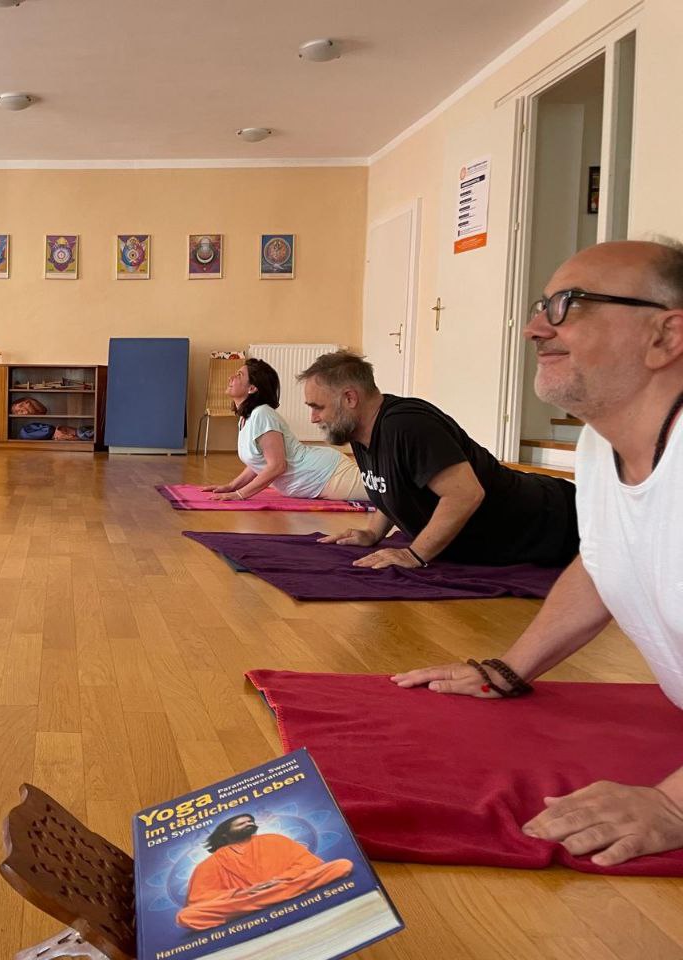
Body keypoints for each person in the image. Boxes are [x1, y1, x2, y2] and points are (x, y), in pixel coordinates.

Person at [392, 238, 683, 866]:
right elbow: (602, 562)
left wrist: (674, 805)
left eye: (568, 304)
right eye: (540, 306)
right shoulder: (599, 447)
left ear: (665, 336)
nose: (534, 328)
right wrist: (509, 669)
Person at [297, 350, 578, 569]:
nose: (313, 418)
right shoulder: (361, 432)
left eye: (317, 407)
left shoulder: (406, 425)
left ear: (349, 398)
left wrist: (415, 554)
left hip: (559, 521)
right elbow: (390, 487)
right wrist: (372, 534)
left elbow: (465, 494)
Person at [201, 359, 368, 502]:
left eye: (239, 375)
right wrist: (231, 486)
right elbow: (258, 463)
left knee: (381, 492)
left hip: (326, 473)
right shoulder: (246, 418)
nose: (231, 377)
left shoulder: (262, 414)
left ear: (252, 388)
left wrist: (240, 494)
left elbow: (277, 466)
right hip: (316, 479)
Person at [175, 814, 354, 931]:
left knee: (341, 865)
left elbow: (308, 862)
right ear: (224, 835)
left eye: (250, 821)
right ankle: (270, 899)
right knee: (186, 916)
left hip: (285, 885)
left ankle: (265, 901)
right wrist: (244, 892)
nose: (249, 823)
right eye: (242, 823)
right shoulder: (210, 864)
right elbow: (200, 898)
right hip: (247, 899)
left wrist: (279, 880)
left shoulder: (274, 839)